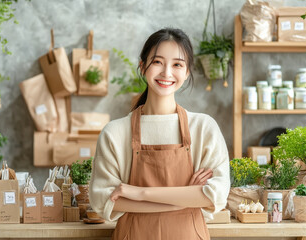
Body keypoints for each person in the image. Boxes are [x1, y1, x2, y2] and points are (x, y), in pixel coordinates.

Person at [89, 28, 230, 240]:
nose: (166, 73)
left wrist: (138, 193)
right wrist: (186, 196)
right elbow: (104, 200)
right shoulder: (115, 133)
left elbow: (214, 197)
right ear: (142, 65)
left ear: (187, 72)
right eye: (157, 62)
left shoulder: (204, 128)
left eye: (177, 64)